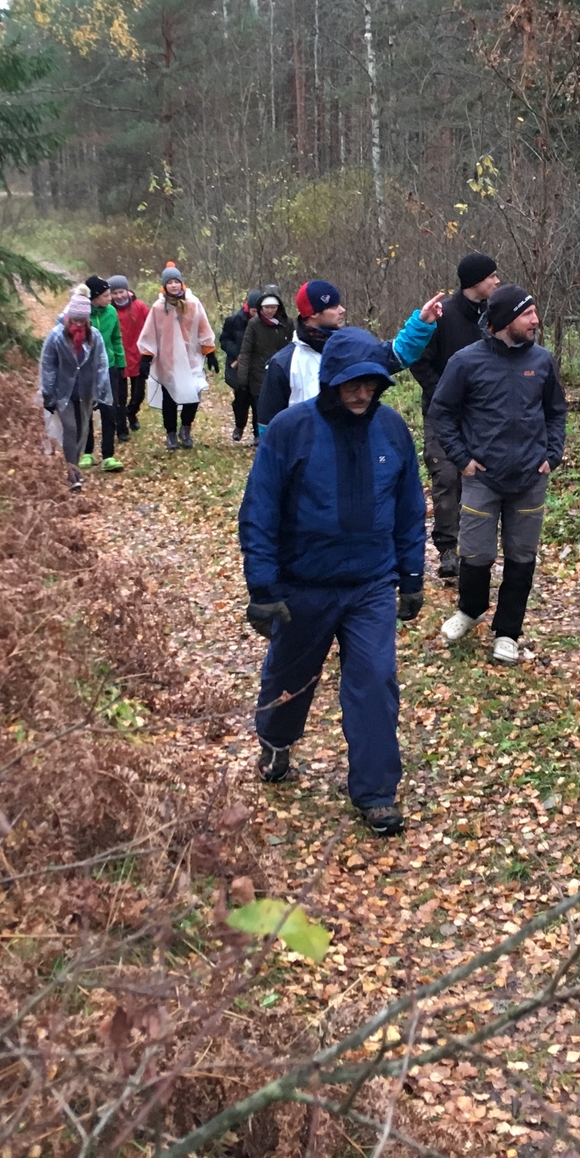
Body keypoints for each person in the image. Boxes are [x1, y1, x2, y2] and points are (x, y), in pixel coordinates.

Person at [238, 327, 427, 837]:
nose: (362, 393)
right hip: (304, 584)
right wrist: (262, 588)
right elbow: (260, 509)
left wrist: (412, 575)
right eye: (351, 384)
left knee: (375, 682)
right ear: (331, 381)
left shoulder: (391, 429)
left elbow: (410, 507)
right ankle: (276, 743)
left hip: (371, 584)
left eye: (371, 383)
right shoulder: (291, 430)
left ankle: (376, 792)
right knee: (290, 676)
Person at [428, 284, 567, 664]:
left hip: (530, 478)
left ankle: (507, 632)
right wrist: (462, 459)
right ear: (505, 320)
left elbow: (556, 411)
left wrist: (552, 455)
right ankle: (471, 610)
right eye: (527, 314)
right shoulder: (466, 362)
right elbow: (442, 412)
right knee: (475, 554)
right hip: (481, 478)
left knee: (522, 558)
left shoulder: (542, 361)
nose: (536, 320)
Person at [409, 252, 501, 582]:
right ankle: (448, 549)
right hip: (441, 413)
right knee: (447, 476)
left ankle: (474, 548)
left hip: (482, 414)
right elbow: (419, 361)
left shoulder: (494, 316)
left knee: (478, 477)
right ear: (475, 281)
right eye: (491, 276)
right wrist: (444, 394)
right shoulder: (442, 315)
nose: (497, 281)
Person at [255, 279, 444, 430]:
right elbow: (268, 428)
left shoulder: (353, 348)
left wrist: (422, 323)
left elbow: (396, 355)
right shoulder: (284, 363)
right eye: (333, 306)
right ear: (312, 314)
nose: (342, 310)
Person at [39, 291, 112, 493]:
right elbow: (48, 365)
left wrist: (100, 390)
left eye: (82, 320)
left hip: (86, 391)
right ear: (69, 317)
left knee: (82, 431)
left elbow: (101, 364)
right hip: (63, 392)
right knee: (70, 428)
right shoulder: (56, 336)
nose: (78, 324)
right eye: (75, 320)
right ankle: (73, 474)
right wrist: (48, 394)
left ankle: (74, 463)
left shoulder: (94, 336)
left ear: (87, 319)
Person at [138, 266, 216, 450]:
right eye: (170, 282)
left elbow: (203, 327)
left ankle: (186, 428)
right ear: (164, 286)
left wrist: (210, 351)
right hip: (168, 360)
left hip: (191, 358)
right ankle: (171, 433)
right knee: (170, 397)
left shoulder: (193, 303)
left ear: (182, 283)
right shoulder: (159, 308)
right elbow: (151, 333)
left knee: (194, 393)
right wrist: (146, 358)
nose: (173, 285)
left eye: (176, 282)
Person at [231, 291, 291, 442]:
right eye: (267, 307)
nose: (270, 311)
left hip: (280, 369)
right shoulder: (254, 324)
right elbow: (246, 350)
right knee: (258, 404)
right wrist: (243, 376)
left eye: (273, 307)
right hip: (258, 370)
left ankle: (276, 434)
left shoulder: (287, 323)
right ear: (261, 308)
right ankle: (258, 434)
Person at [84, 276, 125, 472]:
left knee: (109, 410)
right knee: (86, 409)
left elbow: (117, 338)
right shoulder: (81, 314)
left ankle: (108, 455)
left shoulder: (111, 312)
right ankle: (87, 452)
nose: (111, 298)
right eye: (106, 295)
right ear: (94, 297)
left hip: (109, 367)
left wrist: (121, 362)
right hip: (85, 368)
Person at [110, 275, 150, 435]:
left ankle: (131, 412)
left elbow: (151, 327)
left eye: (121, 292)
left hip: (138, 356)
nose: (119, 296)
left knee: (139, 394)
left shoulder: (139, 306)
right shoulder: (109, 310)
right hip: (118, 358)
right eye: (114, 293)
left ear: (127, 291)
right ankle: (121, 428)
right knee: (119, 396)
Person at [219, 290, 261, 439]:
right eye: (254, 311)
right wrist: (237, 353)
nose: (256, 315)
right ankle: (239, 426)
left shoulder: (266, 323)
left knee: (258, 402)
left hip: (258, 368)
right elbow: (224, 340)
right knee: (241, 401)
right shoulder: (233, 321)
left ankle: (257, 433)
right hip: (239, 368)